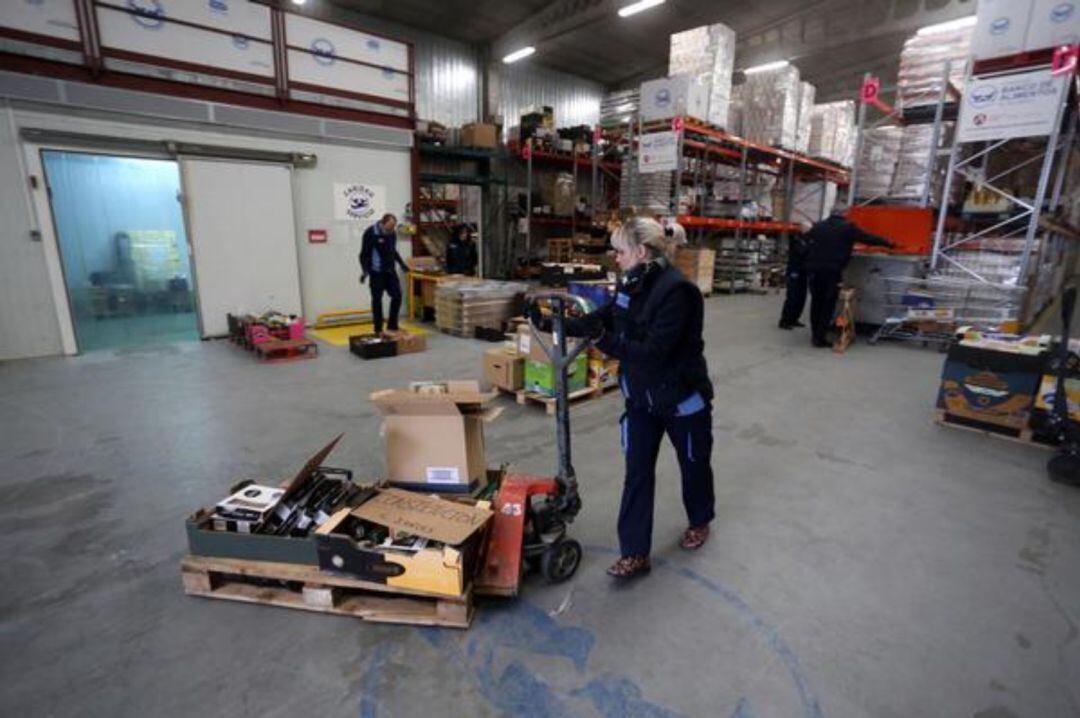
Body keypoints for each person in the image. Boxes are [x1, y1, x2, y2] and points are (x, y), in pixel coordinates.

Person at [535, 217, 715, 580]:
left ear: (641, 252)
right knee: (636, 474)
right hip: (642, 401)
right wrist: (557, 323)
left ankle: (700, 519)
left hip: (681, 399)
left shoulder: (678, 292)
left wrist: (603, 339)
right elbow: (607, 318)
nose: (614, 259)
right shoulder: (631, 283)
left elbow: (653, 352)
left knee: (693, 465)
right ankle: (634, 553)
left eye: (619, 252)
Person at [804, 206, 894, 347]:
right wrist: (888, 243)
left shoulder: (818, 226)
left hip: (814, 269)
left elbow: (808, 243)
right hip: (833, 270)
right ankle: (819, 338)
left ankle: (815, 333)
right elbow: (868, 238)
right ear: (845, 215)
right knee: (828, 304)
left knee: (816, 302)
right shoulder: (848, 227)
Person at [359, 213, 409, 335]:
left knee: (397, 295)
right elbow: (363, 254)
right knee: (377, 300)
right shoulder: (370, 233)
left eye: (393, 227)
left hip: (390, 271)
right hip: (376, 273)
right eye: (389, 227)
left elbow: (393, 250)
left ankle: (392, 325)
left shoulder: (392, 233)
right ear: (383, 223)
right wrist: (365, 271)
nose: (391, 230)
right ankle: (378, 329)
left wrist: (402, 264)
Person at [778, 231, 811, 330]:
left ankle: (794, 319)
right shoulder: (796, 240)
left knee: (801, 297)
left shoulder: (807, 240)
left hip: (803, 272)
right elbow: (802, 251)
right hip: (794, 272)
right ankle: (785, 321)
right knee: (792, 297)